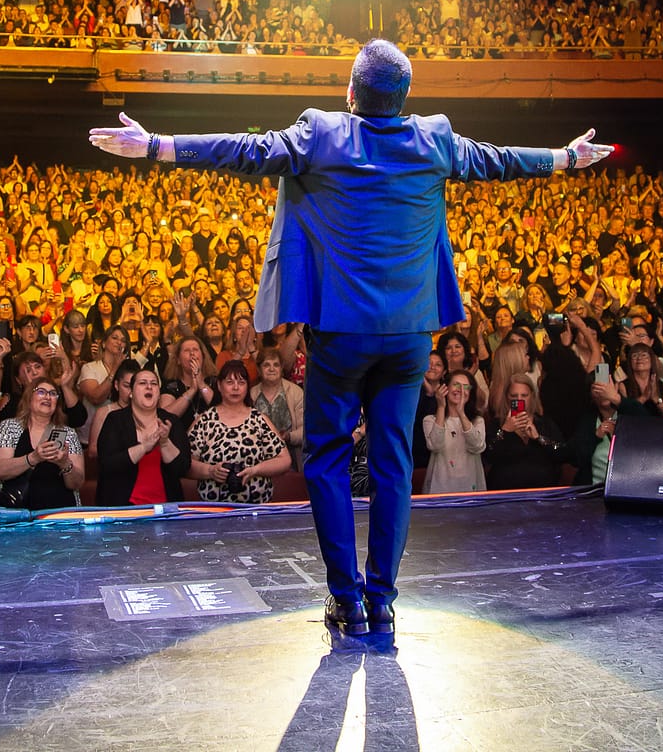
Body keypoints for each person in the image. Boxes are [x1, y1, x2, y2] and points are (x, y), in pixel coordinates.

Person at [88, 38, 610, 638]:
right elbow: (497, 160)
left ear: (351, 92)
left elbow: (246, 151)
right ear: (404, 98)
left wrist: (156, 145)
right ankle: (381, 596)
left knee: (329, 460)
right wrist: (565, 159)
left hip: (339, 338)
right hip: (409, 337)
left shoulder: (322, 135)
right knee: (394, 463)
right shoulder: (435, 138)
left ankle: (345, 598)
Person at [188, 359, 291, 503]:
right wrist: (210, 471)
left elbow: (285, 460)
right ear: (219, 385)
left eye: (241, 382)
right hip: (214, 510)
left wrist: (256, 470)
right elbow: (185, 464)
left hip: (256, 509)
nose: (236, 387)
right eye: (229, 382)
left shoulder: (259, 420)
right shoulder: (205, 420)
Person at [96, 367, 191, 505]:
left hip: (165, 507)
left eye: (154, 383)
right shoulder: (115, 420)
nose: (149, 387)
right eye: (142, 383)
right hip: (122, 508)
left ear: (159, 393)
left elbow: (182, 468)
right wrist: (144, 447)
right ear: (131, 393)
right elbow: (108, 464)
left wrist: (165, 443)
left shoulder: (171, 421)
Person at [0, 378, 85, 511]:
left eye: (53, 393)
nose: (48, 397)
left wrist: (65, 463)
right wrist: (33, 458)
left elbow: (77, 483)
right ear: (29, 398)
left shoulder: (68, 433)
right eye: (41, 392)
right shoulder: (9, 427)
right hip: (18, 513)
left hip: (60, 513)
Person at [421, 368, 486, 493]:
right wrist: (441, 406)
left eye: (466, 387)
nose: (460, 390)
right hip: (439, 487)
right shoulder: (430, 420)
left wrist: (461, 413)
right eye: (456, 385)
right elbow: (435, 445)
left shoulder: (478, 421)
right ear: (445, 389)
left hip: (470, 487)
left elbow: (477, 446)